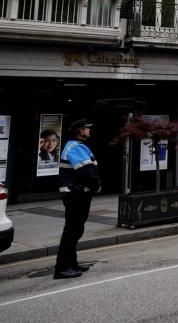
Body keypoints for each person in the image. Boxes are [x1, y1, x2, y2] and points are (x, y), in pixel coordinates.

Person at [55, 119, 101, 279]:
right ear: (80, 131)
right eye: (87, 129)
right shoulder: (76, 147)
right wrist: (96, 185)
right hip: (76, 194)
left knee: (75, 229)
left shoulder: (74, 146)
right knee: (72, 230)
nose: (89, 131)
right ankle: (62, 268)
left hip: (76, 193)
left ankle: (71, 263)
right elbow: (87, 171)